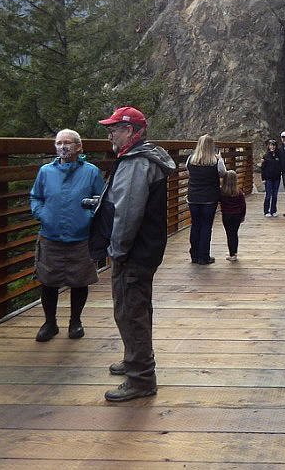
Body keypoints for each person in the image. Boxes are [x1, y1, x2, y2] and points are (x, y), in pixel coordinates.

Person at [90, 106, 176, 402]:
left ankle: (140, 378)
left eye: (114, 128)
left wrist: (117, 251)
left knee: (131, 311)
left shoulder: (136, 162)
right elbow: (122, 199)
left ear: (131, 131)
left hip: (133, 252)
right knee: (134, 307)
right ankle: (133, 359)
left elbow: (127, 213)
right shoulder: (142, 158)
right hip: (144, 248)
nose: (110, 134)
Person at [29, 129, 105, 342]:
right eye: (59, 143)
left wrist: (87, 217)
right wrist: (41, 214)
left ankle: (75, 321)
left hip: (80, 235)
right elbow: (36, 196)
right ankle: (50, 323)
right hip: (50, 234)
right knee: (48, 281)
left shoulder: (91, 172)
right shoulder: (45, 171)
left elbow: (101, 200)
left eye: (68, 143)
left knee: (79, 281)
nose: (63, 147)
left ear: (79, 147)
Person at [185, 134, 226, 264]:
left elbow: (188, 171)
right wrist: (221, 159)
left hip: (193, 197)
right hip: (209, 198)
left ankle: (194, 255)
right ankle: (204, 256)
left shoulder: (191, 159)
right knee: (206, 227)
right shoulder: (215, 161)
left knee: (195, 225)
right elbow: (223, 174)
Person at [219, 170, 246, 262]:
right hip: (237, 215)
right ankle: (234, 253)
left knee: (229, 234)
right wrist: (242, 216)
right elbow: (243, 206)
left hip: (226, 215)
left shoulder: (221, 192)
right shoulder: (239, 192)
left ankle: (232, 253)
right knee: (234, 233)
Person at [260, 138, 282, 217]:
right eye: (270, 145)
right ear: (268, 146)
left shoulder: (278, 155)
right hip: (268, 178)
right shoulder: (266, 156)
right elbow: (262, 168)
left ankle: (273, 210)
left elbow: (281, 165)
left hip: (277, 178)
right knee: (268, 195)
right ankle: (266, 211)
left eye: (273, 145)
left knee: (275, 195)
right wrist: (263, 179)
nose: (272, 147)